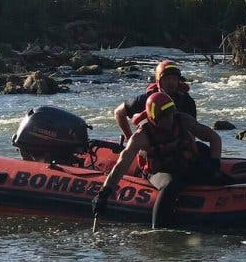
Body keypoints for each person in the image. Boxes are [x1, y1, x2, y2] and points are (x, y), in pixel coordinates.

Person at [93, 91, 223, 227]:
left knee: (210, 173)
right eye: (164, 116)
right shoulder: (141, 136)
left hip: (183, 163)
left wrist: (215, 166)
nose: (169, 119)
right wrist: (104, 192)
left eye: (171, 114)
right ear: (153, 118)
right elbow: (122, 163)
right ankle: (159, 229)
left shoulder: (183, 121)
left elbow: (214, 138)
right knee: (171, 184)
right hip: (158, 171)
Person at [114, 60, 197, 141]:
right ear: (158, 82)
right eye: (167, 79)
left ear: (178, 81)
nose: (171, 82)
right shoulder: (146, 99)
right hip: (152, 147)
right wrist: (128, 137)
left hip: (177, 146)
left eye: (174, 79)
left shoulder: (187, 101)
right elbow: (119, 112)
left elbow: (193, 132)